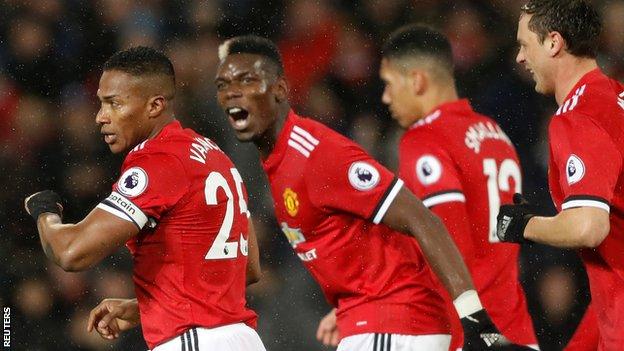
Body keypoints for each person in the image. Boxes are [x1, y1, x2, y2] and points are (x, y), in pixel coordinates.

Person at [214, 34, 533, 351]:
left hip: (393, 327)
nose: (232, 93)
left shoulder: (317, 154)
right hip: (382, 322)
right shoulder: (279, 161)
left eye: (247, 80)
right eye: (223, 85)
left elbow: (423, 219)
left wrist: (473, 318)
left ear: (281, 89)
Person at [23, 46, 265, 351]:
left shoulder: (159, 161)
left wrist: (45, 212)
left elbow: (72, 251)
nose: (101, 117)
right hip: (240, 339)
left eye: (114, 104)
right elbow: (248, 268)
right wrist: (145, 307)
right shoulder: (215, 156)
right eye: (101, 103)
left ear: (155, 105)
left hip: (193, 340)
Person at [376, 24, 538, 350]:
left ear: (417, 80)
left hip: (473, 333)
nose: (385, 97)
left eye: (389, 84)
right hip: (517, 330)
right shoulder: (494, 133)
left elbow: (446, 241)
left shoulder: (424, 140)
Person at [496, 1, 624, 350]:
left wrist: (524, 225)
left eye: (525, 45)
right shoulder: (614, 97)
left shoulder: (579, 117)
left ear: (553, 43)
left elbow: (589, 226)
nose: (520, 58)